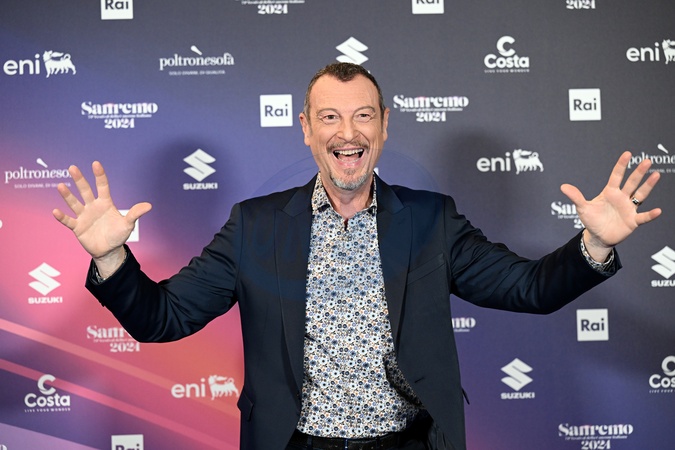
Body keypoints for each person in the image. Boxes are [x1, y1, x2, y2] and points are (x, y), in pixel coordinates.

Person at [53, 63, 661, 450]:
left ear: (384, 126)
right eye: (330, 118)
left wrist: (596, 244)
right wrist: (112, 259)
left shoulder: (431, 220)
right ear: (306, 129)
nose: (348, 133)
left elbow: (530, 288)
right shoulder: (255, 225)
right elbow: (163, 318)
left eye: (363, 116)